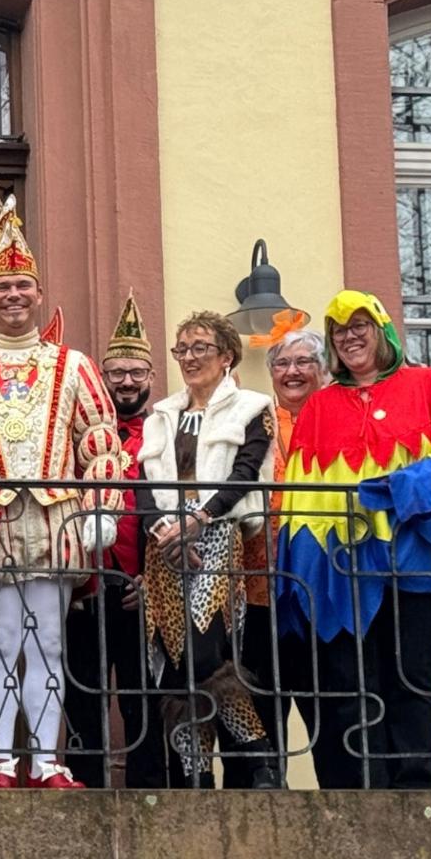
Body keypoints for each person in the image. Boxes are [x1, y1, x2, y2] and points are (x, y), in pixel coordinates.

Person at [275, 290, 431, 788]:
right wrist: (300, 571)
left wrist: (404, 488)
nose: (350, 336)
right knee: (348, 683)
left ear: (383, 330)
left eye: (360, 325)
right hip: (341, 569)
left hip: (412, 562)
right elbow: (300, 496)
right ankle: (362, 795)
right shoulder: (319, 407)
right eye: (340, 330)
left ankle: (416, 794)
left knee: (411, 680)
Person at [0, 202, 124, 788]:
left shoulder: (74, 366)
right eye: (3, 287)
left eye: (23, 285)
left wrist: (102, 509)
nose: (14, 295)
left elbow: (100, 442)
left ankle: (46, 762)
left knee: (46, 643)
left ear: (39, 294)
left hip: (55, 522)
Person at [133, 310, 277, 788]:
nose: (190, 358)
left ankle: (258, 757)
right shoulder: (162, 415)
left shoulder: (253, 407)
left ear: (227, 356)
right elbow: (141, 483)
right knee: (174, 664)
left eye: (201, 348)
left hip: (217, 533)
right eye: (183, 350)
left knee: (203, 653)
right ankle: (195, 773)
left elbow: (246, 472)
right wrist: (162, 530)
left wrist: (200, 518)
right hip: (166, 543)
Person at [63, 293, 162, 788]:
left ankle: (147, 791)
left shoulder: (165, 433)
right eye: (117, 372)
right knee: (81, 692)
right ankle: (84, 787)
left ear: (150, 378)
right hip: (84, 583)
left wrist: (156, 576)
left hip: (140, 584)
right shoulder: (78, 435)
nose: (126, 381)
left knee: (144, 696)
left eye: (135, 373)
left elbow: (173, 508)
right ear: (102, 378)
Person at [263, 326, 330, 775]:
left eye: (303, 362)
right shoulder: (256, 418)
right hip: (261, 578)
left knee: (328, 705)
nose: (292, 372)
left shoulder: (338, 414)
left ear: (323, 371)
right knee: (262, 704)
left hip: (322, 580)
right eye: (283, 364)